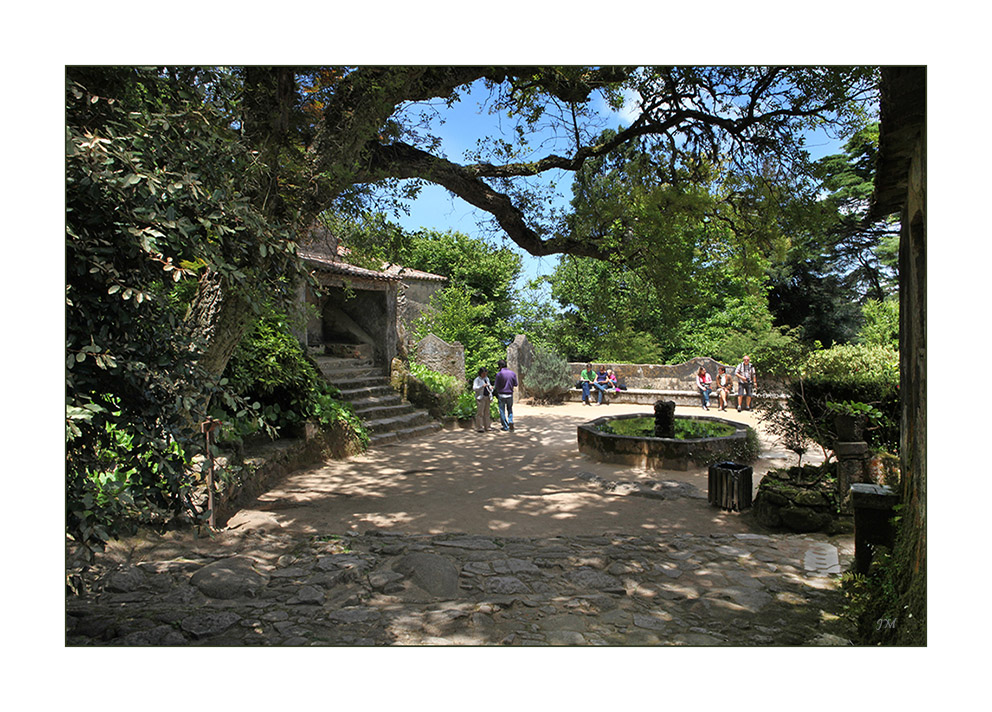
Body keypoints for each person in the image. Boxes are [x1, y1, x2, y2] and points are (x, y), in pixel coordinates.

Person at [494, 359, 518, 431]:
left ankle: (505, 426)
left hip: (501, 394)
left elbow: (496, 386)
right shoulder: (512, 373)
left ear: (500, 366)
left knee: (502, 410)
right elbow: (516, 384)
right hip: (510, 394)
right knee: (509, 409)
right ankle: (510, 421)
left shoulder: (499, 374)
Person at [472, 367, 494, 432]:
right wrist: (482, 386)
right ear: (480, 373)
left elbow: (489, 386)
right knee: (480, 413)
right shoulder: (477, 380)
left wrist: (491, 387)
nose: (485, 375)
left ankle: (487, 426)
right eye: (483, 374)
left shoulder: (487, 379)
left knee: (487, 413)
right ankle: (479, 427)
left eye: (486, 374)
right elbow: (474, 388)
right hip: (480, 398)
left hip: (487, 397)